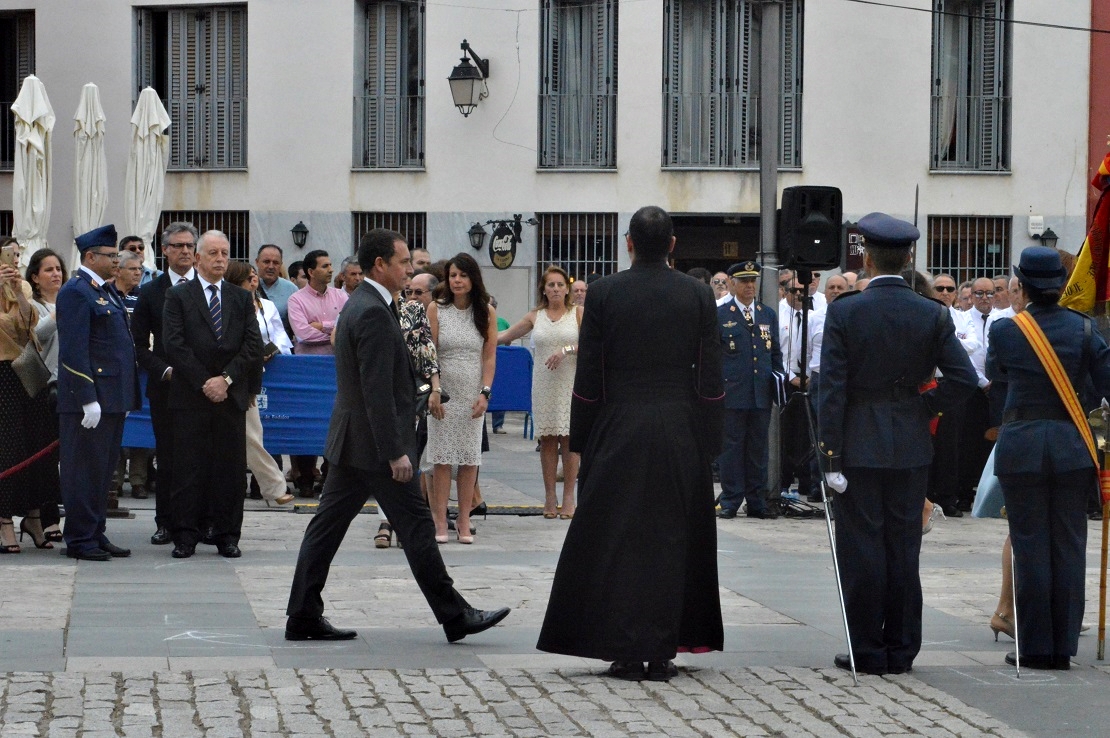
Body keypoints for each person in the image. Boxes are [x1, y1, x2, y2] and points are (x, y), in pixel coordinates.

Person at [285, 228, 510, 643]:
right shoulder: (371, 309)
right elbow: (375, 390)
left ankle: (302, 614)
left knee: (327, 529)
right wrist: (395, 452)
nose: (411, 269)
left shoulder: (368, 302)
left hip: (355, 443)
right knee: (417, 527)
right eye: (404, 262)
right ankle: (455, 615)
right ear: (380, 265)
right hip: (374, 447)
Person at [537, 205, 724, 682]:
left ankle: (623, 646)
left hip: (620, 425)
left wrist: (583, 438)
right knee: (673, 537)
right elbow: (710, 375)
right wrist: (711, 439)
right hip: (680, 426)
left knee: (618, 537)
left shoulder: (603, 294)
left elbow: (591, 373)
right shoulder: (698, 295)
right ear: (674, 246)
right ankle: (663, 647)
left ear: (629, 243)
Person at [817, 212, 977, 675]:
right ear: (909, 256)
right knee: (904, 547)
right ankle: (902, 649)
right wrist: (924, 408)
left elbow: (833, 388)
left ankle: (866, 648)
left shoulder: (846, 310)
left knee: (862, 547)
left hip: (859, 443)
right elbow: (965, 379)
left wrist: (830, 455)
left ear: (865, 256)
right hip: (909, 442)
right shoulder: (932, 312)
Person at [986, 246, 1110, 670]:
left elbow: (996, 374)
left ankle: (1035, 646)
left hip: (1021, 445)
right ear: (1061, 285)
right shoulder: (1084, 329)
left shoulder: (1005, 330)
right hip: (1072, 445)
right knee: (1071, 545)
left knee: (1030, 545)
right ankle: (1063, 648)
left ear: (1023, 284)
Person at [162, 230, 262, 559]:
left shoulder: (239, 297)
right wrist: (206, 381)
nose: (221, 259)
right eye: (214, 253)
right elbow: (174, 345)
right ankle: (185, 536)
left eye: (225, 253)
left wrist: (227, 380)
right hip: (191, 397)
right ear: (199, 258)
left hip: (229, 399)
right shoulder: (179, 296)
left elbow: (252, 346)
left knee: (230, 470)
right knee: (188, 469)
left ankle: (227, 535)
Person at [56, 225, 142, 561]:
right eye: (110, 255)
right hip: (88, 401)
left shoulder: (104, 290)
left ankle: (95, 531)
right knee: (84, 471)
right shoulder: (76, 292)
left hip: (111, 398)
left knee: (102, 471)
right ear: (91, 257)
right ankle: (79, 539)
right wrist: (87, 398)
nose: (116, 261)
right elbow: (74, 352)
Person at [498, 265, 583, 518]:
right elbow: (506, 335)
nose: (555, 289)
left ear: (566, 289)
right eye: (551, 285)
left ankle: (569, 497)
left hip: (570, 381)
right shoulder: (536, 315)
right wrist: (480, 335)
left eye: (559, 285)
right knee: (547, 439)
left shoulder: (577, 313)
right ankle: (549, 497)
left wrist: (566, 350)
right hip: (544, 382)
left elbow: (591, 340)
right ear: (543, 290)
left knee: (569, 440)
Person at [131, 222, 198, 545]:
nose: (185, 251)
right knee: (169, 457)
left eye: (189, 246)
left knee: (203, 457)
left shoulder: (209, 287)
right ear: (165, 250)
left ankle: (201, 521)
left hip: (205, 389)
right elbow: (140, 346)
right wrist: (166, 371)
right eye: (178, 246)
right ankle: (166, 521)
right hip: (168, 387)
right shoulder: (151, 292)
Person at [426, 252, 497, 543]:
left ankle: (464, 520)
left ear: (473, 279)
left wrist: (485, 393)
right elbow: (430, 355)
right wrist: (434, 389)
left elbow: (489, 357)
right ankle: (440, 520)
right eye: (452, 275)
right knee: (441, 460)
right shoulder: (436, 308)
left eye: (463, 275)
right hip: (443, 391)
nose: (456, 280)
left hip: (472, 392)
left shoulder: (486, 311)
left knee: (469, 459)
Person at [715, 260, 783, 519]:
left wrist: (779, 381)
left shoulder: (767, 314)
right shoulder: (721, 315)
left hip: (760, 393)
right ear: (732, 283)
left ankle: (757, 500)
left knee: (758, 449)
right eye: (744, 281)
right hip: (732, 392)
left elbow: (774, 352)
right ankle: (731, 499)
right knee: (731, 448)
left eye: (753, 281)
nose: (750, 286)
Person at [225, 261, 294, 507]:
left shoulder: (263, 306)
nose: (253, 281)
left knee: (252, 434)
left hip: (248, 378)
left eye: (254, 277)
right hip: (224, 377)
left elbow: (276, 337)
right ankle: (272, 486)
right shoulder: (226, 307)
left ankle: (273, 487)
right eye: (247, 278)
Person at [24, 247, 66, 543]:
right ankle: (46, 518)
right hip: (42, 389)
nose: (56, 274)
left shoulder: (71, 301)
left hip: (71, 386)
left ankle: (46, 515)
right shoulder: (33, 306)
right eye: (49, 270)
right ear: (35, 278)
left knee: (63, 455)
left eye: (59, 269)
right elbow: (35, 336)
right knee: (44, 456)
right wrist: (58, 313)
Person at [110, 250, 151, 501]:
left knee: (140, 427)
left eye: (140, 270)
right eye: (133, 269)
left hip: (142, 370)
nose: (138, 273)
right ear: (118, 270)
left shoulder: (142, 297)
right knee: (117, 427)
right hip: (115, 372)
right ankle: (113, 482)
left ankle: (138, 480)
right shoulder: (108, 296)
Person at [255, 244, 298, 326]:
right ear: (257, 262)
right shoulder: (247, 286)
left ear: (281, 264)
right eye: (266, 262)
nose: (271, 266)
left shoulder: (291, 289)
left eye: (275, 263)